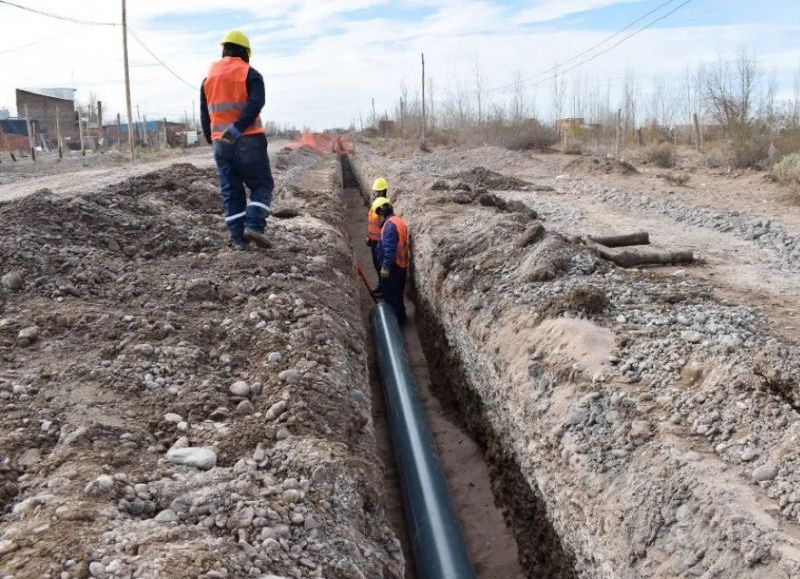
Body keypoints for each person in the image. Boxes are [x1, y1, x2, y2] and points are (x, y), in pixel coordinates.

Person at [200, 30, 273, 250]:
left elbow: (205, 115)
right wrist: (236, 130)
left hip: (220, 145)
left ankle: (238, 239)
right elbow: (256, 103)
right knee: (262, 184)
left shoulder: (208, 79)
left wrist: (212, 139)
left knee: (231, 192)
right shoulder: (250, 74)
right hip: (248, 140)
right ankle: (254, 225)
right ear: (245, 52)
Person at [376, 201, 409, 324]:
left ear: (383, 213)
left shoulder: (389, 226)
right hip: (401, 265)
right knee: (398, 295)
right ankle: (401, 317)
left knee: (391, 296)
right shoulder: (396, 220)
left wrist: (385, 267)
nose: (378, 218)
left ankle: (395, 322)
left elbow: (390, 250)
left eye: (379, 215)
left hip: (394, 267)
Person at [366, 177, 389, 288]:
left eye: (376, 191)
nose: (374, 194)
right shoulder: (376, 203)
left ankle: (384, 288)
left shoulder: (384, 207)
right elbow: (372, 222)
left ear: (382, 191)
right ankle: (381, 286)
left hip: (381, 243)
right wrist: (369, 236)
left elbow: (384, 226)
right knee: (376, 264)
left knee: (381, 266)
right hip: (374, 241)